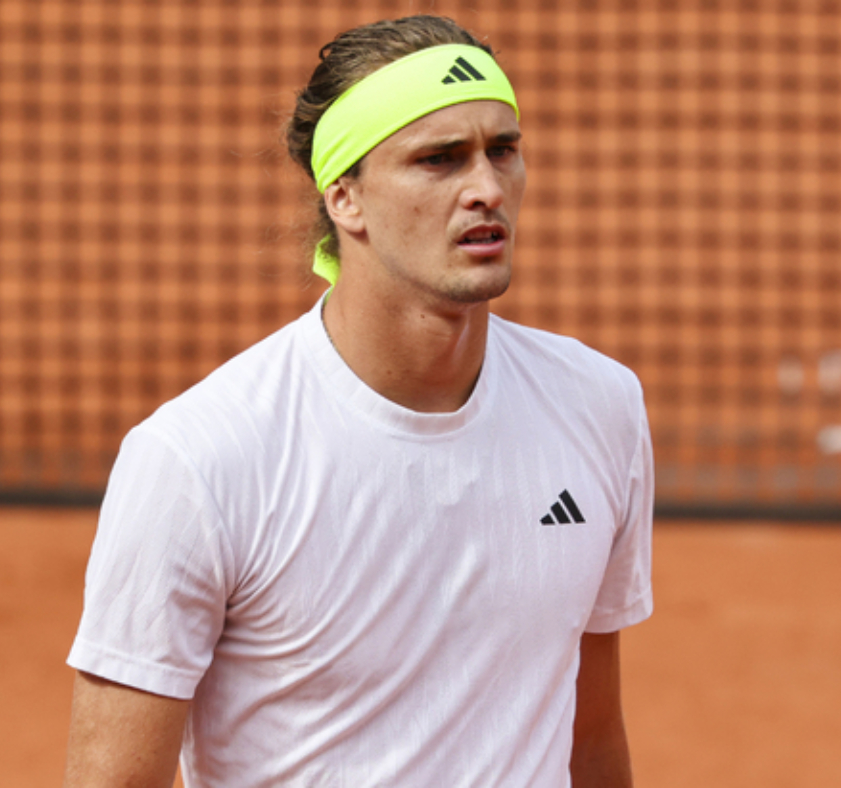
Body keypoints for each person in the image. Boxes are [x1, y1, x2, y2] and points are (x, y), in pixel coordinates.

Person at [62, 15, 653, 788]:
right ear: (345, 198)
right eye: (440, 159)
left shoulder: (599, 405)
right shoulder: (199, 459)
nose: (487, 188)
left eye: (502, 150)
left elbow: (592, 735)